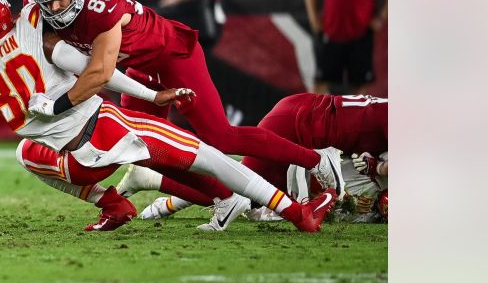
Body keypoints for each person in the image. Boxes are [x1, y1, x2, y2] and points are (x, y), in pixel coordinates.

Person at [0, 0, 338, 233]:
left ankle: (111, 202)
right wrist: (153, 98)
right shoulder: (35, 33)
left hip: (68, 160)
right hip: (105, 129)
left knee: (25, 152)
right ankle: (295, 212)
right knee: (210, 155)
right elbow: (97, 71)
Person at [26, 0, 347, 197]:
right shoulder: (41, 9)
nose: (56, 10)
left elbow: (100, 73)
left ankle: (317, 160)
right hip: (141, 69)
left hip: (172, 56)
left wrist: (54, 106)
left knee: (220, 136)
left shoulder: (101, 7)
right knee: (140, 147)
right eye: (48, 4)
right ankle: (226, 199)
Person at [124, 93, 386, 227]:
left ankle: (165, 200)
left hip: (301, 112)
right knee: (237, 192)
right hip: (300, 129)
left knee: (244, 186)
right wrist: (377, 167)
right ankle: (151, 179)